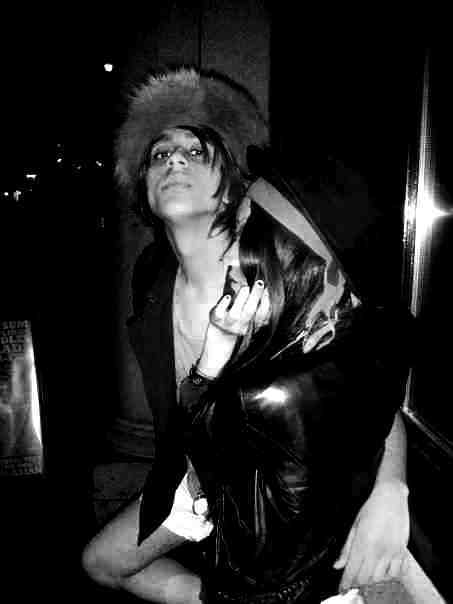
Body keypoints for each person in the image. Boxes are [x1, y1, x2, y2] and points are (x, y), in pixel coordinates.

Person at [82, 66, 412, 602]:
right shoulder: (151, 279)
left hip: (286, 504)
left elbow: (367, 385)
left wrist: (392, 487)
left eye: (195, 151)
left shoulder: (277, 274)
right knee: (101, 563)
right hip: (204, 474)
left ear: (231, 181)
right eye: (159, 155)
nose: (174, 162)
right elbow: (184, 411)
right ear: (142, 187)